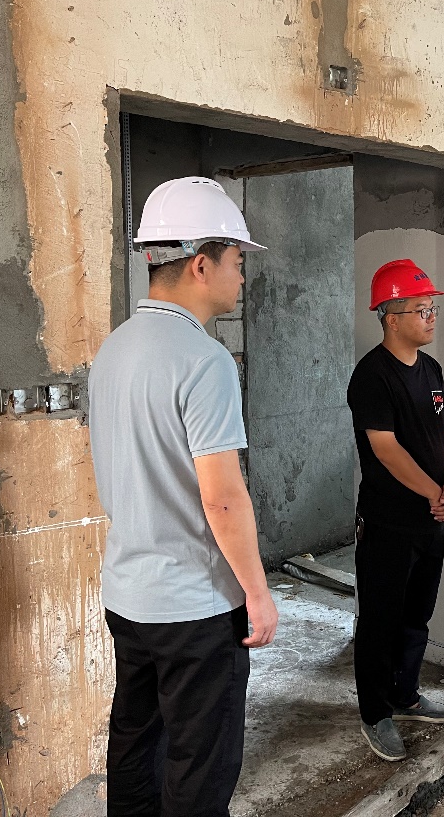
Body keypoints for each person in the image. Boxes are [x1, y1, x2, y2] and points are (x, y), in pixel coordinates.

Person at [89, 176, 279, 817]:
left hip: (128, 595)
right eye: (237, 261)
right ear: (201, 263)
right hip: (195, 609)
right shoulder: (204, 361)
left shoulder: (113, 349)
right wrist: (257, 593)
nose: (241, 276)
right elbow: (222, 498)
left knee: (136, 745)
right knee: (199, 767)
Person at [346, 259, 444, 762]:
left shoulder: (431, 370)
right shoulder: (372, 376)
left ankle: (405, 694)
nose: (431, 317)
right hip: (388, 523)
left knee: (417, 613)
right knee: (381, 618)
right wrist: (435, 492)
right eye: (421, 310)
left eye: (432, 309)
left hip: (429, 520)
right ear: (391, 318)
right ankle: (375, 712)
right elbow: (386, 449)